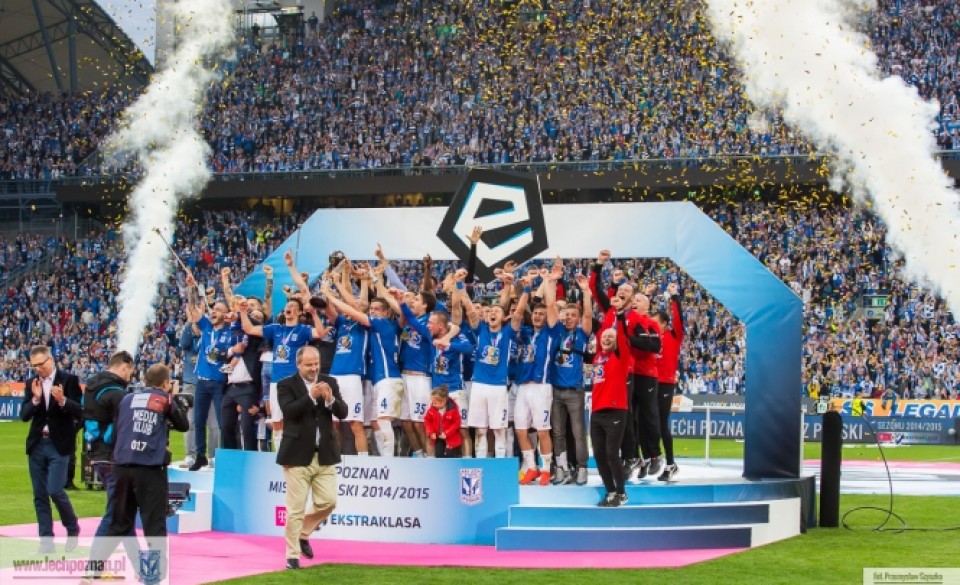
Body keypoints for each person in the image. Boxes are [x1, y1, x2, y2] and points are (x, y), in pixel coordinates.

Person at [88, 363, 190, 583]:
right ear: (166, 383)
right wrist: (173, 399)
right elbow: (183, 425)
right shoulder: (164, 399)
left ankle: (92, 569)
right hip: (149, 468)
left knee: (118, 522)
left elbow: (118, 429)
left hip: (121, 466)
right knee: (154, 525)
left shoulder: (127, 399)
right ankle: (152, 577)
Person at [276, 346, 347, 570]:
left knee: (329, 501)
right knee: (295, 509)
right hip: (296, 455)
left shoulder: (330, 382)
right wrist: (310, 397)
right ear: (298, 364)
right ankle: (292, 556)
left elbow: (343, 412)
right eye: (309, 365)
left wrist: (330, 400)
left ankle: (303, 533)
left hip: (324, 454)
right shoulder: (285, 384)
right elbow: (289, 411)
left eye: (316, 363)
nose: (314, 368)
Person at [21, 345, 82, 553]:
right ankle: (46, 542)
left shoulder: (69, 380)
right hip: (37, 444)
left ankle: (72, 528)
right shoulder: (32, 383)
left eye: (41, 363)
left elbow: (80, 410)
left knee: (55, 490)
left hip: (59, 444)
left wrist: (62, 400)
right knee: (40, 495)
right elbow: (24, 415)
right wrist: (36, 399)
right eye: (34, 365)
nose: (38, 368)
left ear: (51, 360)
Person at [82, 350, 136, 537]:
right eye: (130, 371)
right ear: (125, 367)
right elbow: (124, 426)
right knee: (115, 513)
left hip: (96, 453)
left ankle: (136, 556)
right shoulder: (117, 393)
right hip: (113, 456)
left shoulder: (91, 386)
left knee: (123, 512)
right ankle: (96, 556)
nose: (130, 376)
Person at [550, 273, 594, 485]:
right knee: (558, 433)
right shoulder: (557, 331)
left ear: (578, 319)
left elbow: (588, 315)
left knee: (578, 433)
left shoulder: (582, 334)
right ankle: (561, 467)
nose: (568, 318)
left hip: (575, 390)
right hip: (556, 390)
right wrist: (551, 282)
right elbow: (551, 307)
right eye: (565, 314)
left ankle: (582, 468)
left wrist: (586, 291)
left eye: (572, 315)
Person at [590, 318, 633, 507]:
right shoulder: (597, 358)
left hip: (615, 410)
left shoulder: (621, 356)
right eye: (604, 336)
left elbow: (623, 337)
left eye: (610, 337)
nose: (606, 339)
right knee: (599, 454)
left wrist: (621, 316)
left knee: (612, 453)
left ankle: (622, 493)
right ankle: (610, 491)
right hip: (596, 412)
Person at [652, 282, 683, 481]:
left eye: (656, 323)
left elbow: (679, 320)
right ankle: (650, 458)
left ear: (664, 324)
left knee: (661, 424)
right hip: (649, 383)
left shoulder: (673, 336)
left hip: (665, 383)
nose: (652, 326)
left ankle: (671, 464)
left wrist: (674, 297)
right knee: (645, 422)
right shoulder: (649, 339)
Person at [424, 385, 463, 457]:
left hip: (451, 438)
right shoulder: (432, 409)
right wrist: (431, 432)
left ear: (443, 402)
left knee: (450, 454)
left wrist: (446, 433)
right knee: (439, 454)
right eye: (432, 402)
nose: (433, 404)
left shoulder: (453, 409)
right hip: (439, 437)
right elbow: (427, 420)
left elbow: (457, 423)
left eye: (435, 403)